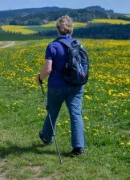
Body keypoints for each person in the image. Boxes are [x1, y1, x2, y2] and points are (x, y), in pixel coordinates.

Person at [36, 15, 85, 156]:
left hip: (57, 86)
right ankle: (78, 147)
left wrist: (40, 78)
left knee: (53, 111)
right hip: (76, 85)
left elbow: (48, 69)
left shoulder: (52, 46)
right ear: (71, 30)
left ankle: (46, 136)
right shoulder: (79, 44)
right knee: (76, 114)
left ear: (58, 30)